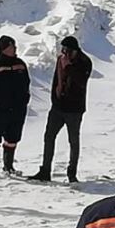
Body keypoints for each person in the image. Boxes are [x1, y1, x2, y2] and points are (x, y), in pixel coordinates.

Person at [28, 35, 92, 183]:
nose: (64, 52)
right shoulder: (60, 59)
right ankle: (45, 170)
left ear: (74, 50)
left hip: (74, 109)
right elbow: (56, 80)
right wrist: (54, 98)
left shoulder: (84, 62)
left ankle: (72, 172)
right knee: (49, 137)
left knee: (73, 141)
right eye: (62, 49)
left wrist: (69, 66)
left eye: (66, 50)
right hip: (58, 107)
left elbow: (81, 82)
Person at [0, 35, 31, 178]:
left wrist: (24, 100)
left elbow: (27, 83)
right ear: (4, 48)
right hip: (0, 110)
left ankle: (8, 167)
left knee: (12, 138)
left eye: (15, 45)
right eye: (12, 46)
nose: (15, 48)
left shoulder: (20, 64)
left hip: (18, 109)